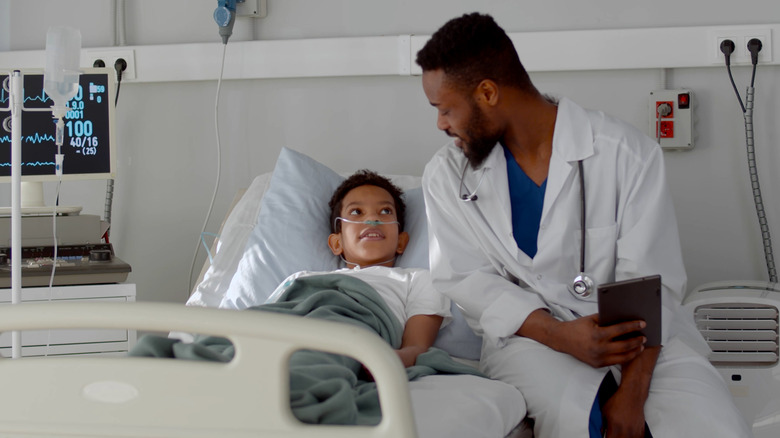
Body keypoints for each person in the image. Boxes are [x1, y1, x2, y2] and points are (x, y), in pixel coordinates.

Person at [416, 12, 751, 438]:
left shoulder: (625, 155)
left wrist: (633, 390)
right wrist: (558, 334)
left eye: (445, 109)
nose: (441, 124)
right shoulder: (447, 176)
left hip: (646, 342)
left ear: (487, 92)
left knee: (713, 426)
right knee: (580, 420)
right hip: (532, 341)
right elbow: (468, 280)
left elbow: (652, 283)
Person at [267, 169, 451, 367]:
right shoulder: (301, 279)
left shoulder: (417, 279)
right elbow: (262, 321)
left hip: (347, 341)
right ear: (337, 243)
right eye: (356, 212)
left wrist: (385, 362)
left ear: (401, 241)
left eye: (385, 211)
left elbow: (416, 347)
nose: (372, 219)